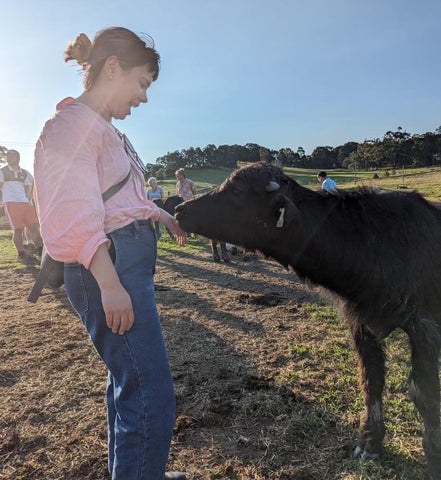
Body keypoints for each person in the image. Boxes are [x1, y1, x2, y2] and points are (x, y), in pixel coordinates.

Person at [33, 27, 187, 480]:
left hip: (121, 262)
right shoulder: (71, 126)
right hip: (108, 266)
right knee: (149, 392)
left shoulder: (100, 128)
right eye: (142, 83)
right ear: (113, 67)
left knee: (129, 383)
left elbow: (117, 197)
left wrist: (161, 215)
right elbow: (70, 213)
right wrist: (109, 281)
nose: (143, 98)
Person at [0, 149, 42, 261]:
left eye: (11, 156)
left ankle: (40, 249)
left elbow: (29, 189)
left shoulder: (25, 173)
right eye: (8, 156)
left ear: (18, 158)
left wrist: (29, 200)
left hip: (25, 202)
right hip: (12, 203)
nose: (9, 158)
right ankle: (21, 253)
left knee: (34, 226)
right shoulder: (2, 172)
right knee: (18, 229)